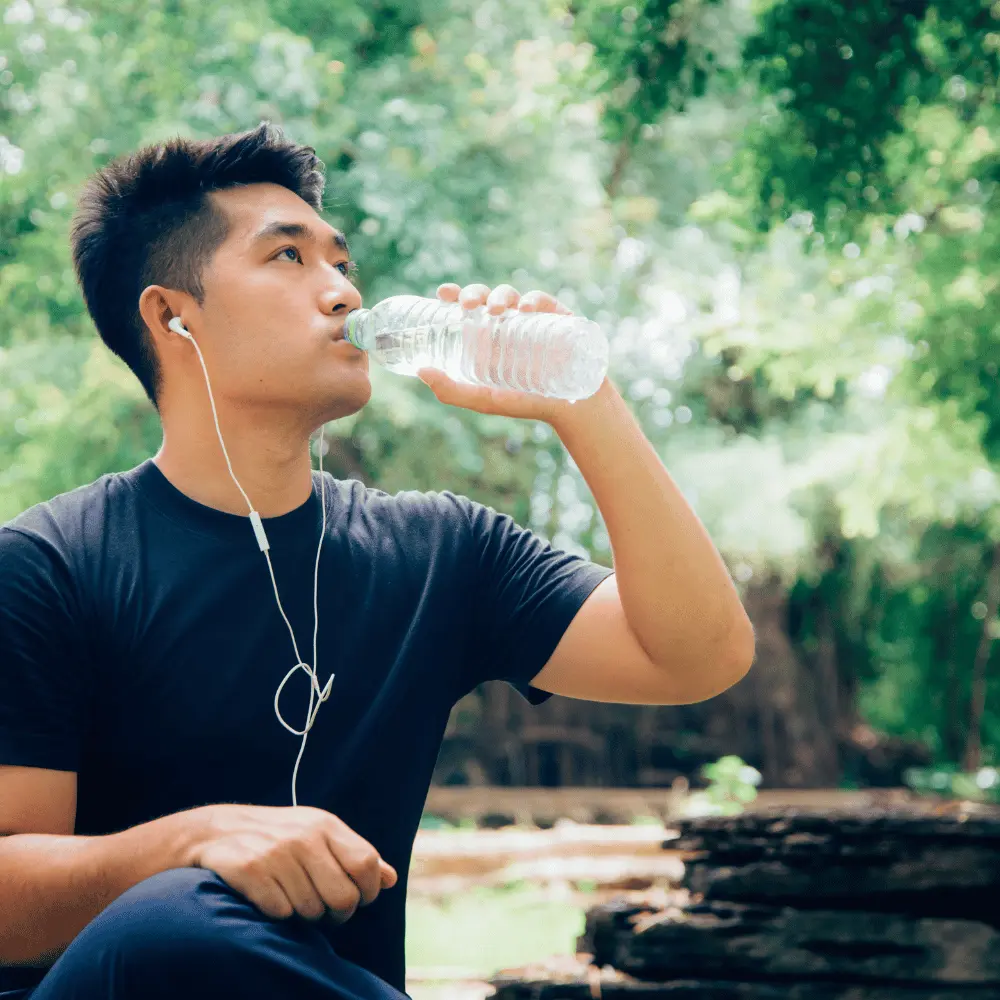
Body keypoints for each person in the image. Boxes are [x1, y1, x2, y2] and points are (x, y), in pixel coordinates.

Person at [0, 123, 754, 1000]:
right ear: (174, 316)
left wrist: (585, 404)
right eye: (288, 259)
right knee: (173, 922)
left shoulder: (441, 553)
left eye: (340, 262)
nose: (340, 291)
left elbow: (699, 655)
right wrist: (192, 844)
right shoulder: (48, 565)